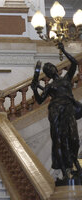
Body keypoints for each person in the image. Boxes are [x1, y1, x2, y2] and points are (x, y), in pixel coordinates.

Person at [31, 43, 82, 181]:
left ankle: (73, 161)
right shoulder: (49, 86)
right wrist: (35, 89)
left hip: (68, 107)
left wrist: (64, 50)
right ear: (47, 73)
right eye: (47, 69)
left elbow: (74, 62)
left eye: (51, 67)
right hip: (55, 110)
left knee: (74, 138)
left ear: (55, 68)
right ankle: (66, 169)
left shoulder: (66, 78)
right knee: (59, 139)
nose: (50, 69)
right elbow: (40, 101)